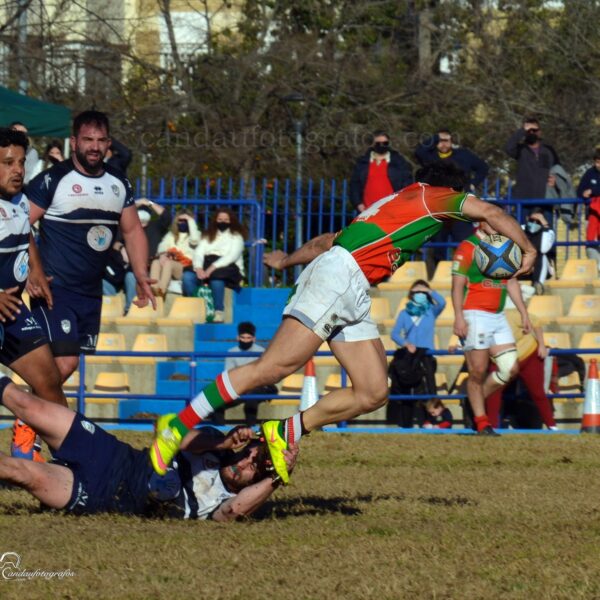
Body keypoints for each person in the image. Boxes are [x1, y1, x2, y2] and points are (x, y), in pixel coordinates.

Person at [150, 162, 537, 483]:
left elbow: (327, 242)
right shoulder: (431, 196)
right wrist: (529, 249)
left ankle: (285, 431)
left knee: (372, 391)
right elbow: (491, 212)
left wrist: (285, 262)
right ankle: (178, 423)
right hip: (339, 278)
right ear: (450, 191)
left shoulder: (395, 206)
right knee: (275, 366)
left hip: (349, 283)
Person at [0, 377, 298, 521]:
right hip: (111, 453)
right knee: (27, 404)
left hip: (106, 494)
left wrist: (278, 477)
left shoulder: (229, 500)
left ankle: (161, 474)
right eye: (251, 453)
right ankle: (162, 464)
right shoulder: (213, 443)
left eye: (255, 467)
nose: (246, 461)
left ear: (258, 481)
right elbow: (174, 435)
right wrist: (222, 442)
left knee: (20, 472)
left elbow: (233, 512)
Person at [26, 110, 155, 383]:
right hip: (54, 287)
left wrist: (141, 274)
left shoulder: (118, 183)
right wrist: (30, 271)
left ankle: (35, 421)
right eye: (88, 139)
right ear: (74, 142)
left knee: (66, 367)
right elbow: (17, 224)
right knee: (64, 362)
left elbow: (132, 231)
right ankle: (28, 421)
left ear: (109, 144)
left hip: (90, 293)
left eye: (101, 140)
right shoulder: (53, 180)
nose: (94, 146)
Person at [0, 127, 67, 461]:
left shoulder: (21, 200)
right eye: (7, 162)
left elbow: (26, 237)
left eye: (21, 162)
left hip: (12, 311)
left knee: (49, 380)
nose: (17, 170)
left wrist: (35, 272)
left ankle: (74, 461)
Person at [451, 221, 533, 436]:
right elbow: (457, 284)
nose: (499, 226)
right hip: (475, 314)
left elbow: (512, 282)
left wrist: (524, 312)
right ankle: (481, 422)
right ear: (482, 223)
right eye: (494, 222)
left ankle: (473, 404)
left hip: (497, 315)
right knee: (477, 370)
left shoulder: (504, 246)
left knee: (510, 368)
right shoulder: (468, 247)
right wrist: (459, 316)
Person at [415, 128, 489, 271]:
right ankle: (437, 275)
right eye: (440, 141)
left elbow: (483, 167)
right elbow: (419, 152)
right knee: (438, 246)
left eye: (446, 140)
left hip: (460, 206)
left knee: (465, 242)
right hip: (438, 208)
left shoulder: (463, 155)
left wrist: (473, 183)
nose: (443, 144)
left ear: (452, 141)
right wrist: (435, 137)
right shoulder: (430, 158)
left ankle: (468, 271)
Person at [484, 309, 556, 430]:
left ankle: (552, 426)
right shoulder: (477, 324)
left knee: (537, 392)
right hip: (501, 360)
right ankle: (491, 427)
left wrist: (542, 346)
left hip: (528, 355)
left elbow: (536, 322)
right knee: (493, 391)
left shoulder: (510, 315)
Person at [387, 280, 445, 428]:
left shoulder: (431, 310)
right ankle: (405, 423)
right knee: (408, 389)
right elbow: (394, 334)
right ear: (411, 294)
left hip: (427, 356)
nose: (419, 294)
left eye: (422, 292)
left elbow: (443, 302)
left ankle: (428, 422)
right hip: (410, 358)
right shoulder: (404, 313)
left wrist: (429, 290)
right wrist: (406, 344)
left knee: (428, 389)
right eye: (416, 292)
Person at [182, 208, 247, 323]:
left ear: (231, 221)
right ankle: (199, 308)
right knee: (187, 276)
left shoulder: (237, 236)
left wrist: (212, 268)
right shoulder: (208, 235)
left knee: (217, 278)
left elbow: (232, 256)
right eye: (220, 219)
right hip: (206, 263)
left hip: (228, 266)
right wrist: (198, 268)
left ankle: (218, 311)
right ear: (215, 220)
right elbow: (199, 252)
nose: (223, 222)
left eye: (226, 219)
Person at [209, 322, 278, 426]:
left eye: (248, 338)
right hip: (239, 387)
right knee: (216, 402)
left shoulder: (261, 352)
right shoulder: (232, 352)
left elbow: (264, 375)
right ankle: (219, 433)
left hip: (259, 385)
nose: (245, 340)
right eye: (243, 337)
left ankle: (251, 430)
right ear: (238, 338)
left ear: (254, 339)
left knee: (251, 400)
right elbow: (230, 374)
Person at [505, 117, 560, 220]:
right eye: (528, 130)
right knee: (520, 232)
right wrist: (522, 131)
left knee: (546, 233)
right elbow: (508, 148)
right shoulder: (521, 149)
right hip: (523, 199)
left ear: (540, 132)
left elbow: (558, 169)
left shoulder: (549, 150)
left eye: (534, 130)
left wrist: (555, 181)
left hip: (544, 200)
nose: (531, 132)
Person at [349, 130, 413, 212]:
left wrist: (402, 203)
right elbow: (355, 184)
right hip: (367, 211)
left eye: (385, 143)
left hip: (392, 210)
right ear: (373, 144)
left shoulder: (398, 162)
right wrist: (358, 203)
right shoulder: (363, 162)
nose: (382, 146)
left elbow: (407, 183)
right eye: (378, 144)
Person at [150, 210, 200, 298]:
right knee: (156, 262)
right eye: (180, 220)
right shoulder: (171, 235)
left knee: (168, 263)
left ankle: (161, 290)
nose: (183, 223)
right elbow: (162, 246)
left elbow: (195, 240)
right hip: (169, 263)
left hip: (185, 267)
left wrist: (190, 220)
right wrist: (163, 254)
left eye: (186, 221)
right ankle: (154, 289)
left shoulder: (196, 234)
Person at [520, 210, 556, 295]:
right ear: (527, 218)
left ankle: (538, 285)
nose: (534, 222)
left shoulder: (547, 232)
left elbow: (544, 248)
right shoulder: (521, 229)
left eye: (538, 220)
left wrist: (544, 222)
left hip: (538, 266)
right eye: (532, 219)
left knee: (541, 256)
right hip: (523, 265)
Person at [576, 150, 600, 272]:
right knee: (591, 241)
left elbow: (594, 190)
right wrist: (584, 193)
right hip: (591, 214)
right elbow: (580, 190)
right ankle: (596, 268)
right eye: (597, 162)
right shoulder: (589, 173)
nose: (599, 164)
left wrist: (593, 191)